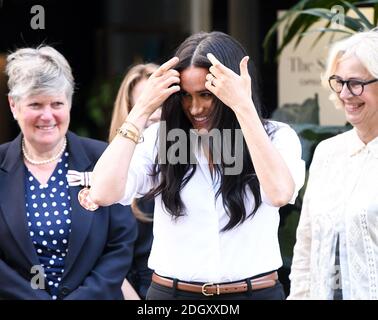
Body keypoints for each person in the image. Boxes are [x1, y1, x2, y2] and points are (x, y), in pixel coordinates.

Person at [90, 31, 305, 300]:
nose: (195, 108)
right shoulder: (160, 140)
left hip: (254, 293)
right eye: (186, 96)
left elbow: (279, 194)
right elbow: (101, 192)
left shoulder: (276, 136)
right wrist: (141, 109)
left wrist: (243, 107)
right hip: (173, 295)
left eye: (206, 95)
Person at [0, 46, 137, 300]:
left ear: (70, 103)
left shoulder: (102, 158)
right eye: (35, 104)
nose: (47, 115)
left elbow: (120, 244)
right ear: (13, 105)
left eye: (56, 103)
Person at [288, 29, 378, 300]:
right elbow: (305, 246)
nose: (346, 93)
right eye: (339, 82)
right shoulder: (328, 153)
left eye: (356, 83)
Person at [109, 63, 159, 300]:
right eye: (147, 106)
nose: (156, 113)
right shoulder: (114, 174)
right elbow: (104, 259)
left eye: (162, 102)